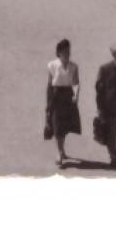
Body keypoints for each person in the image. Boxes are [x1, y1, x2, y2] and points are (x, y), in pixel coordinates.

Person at [45, 38, 82, 167]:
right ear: (59, 53)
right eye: (64, 52)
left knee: (64, 126)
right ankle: (59, 153)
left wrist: (76, 95)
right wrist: (48, 102)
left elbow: (76, 83)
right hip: (55, 97)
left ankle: (62, 150)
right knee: (56, 125)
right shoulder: (52, 65)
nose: (67, 54)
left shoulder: (74, 66)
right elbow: (49, 85)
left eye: (68, 52)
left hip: (68, 97)